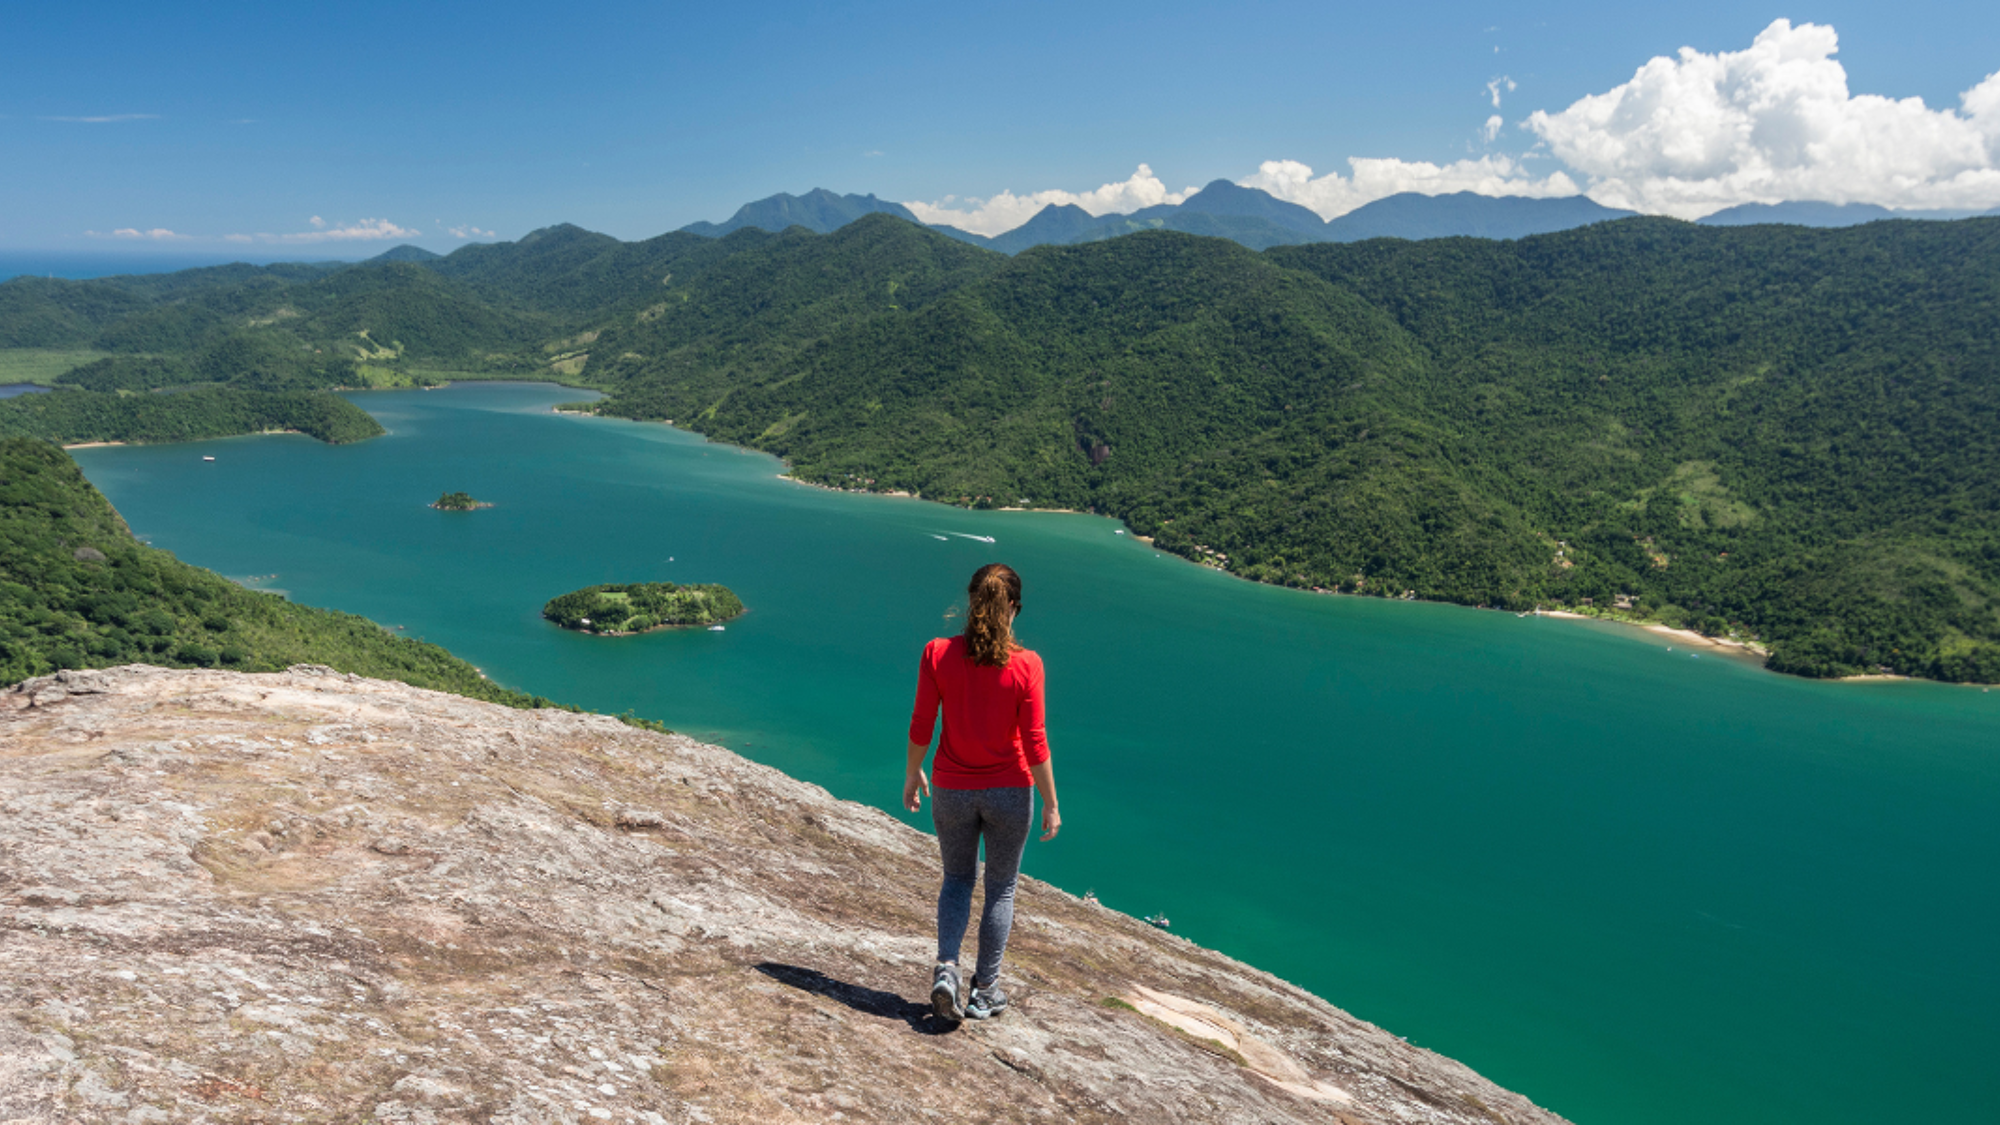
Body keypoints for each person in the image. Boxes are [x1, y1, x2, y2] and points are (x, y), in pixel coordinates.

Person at [904, 562, 1060, 1024]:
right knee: (1001, 888)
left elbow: (921, 723)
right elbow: (1035, 742)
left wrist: (913, 773)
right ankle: (984, 990)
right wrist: (1051, 802)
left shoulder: (937, 653)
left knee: (956, 880)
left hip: (952, 786)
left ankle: (947, 972)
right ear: (1013, 608)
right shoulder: (1028, 665)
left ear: (972, 601)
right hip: (1011, 791)